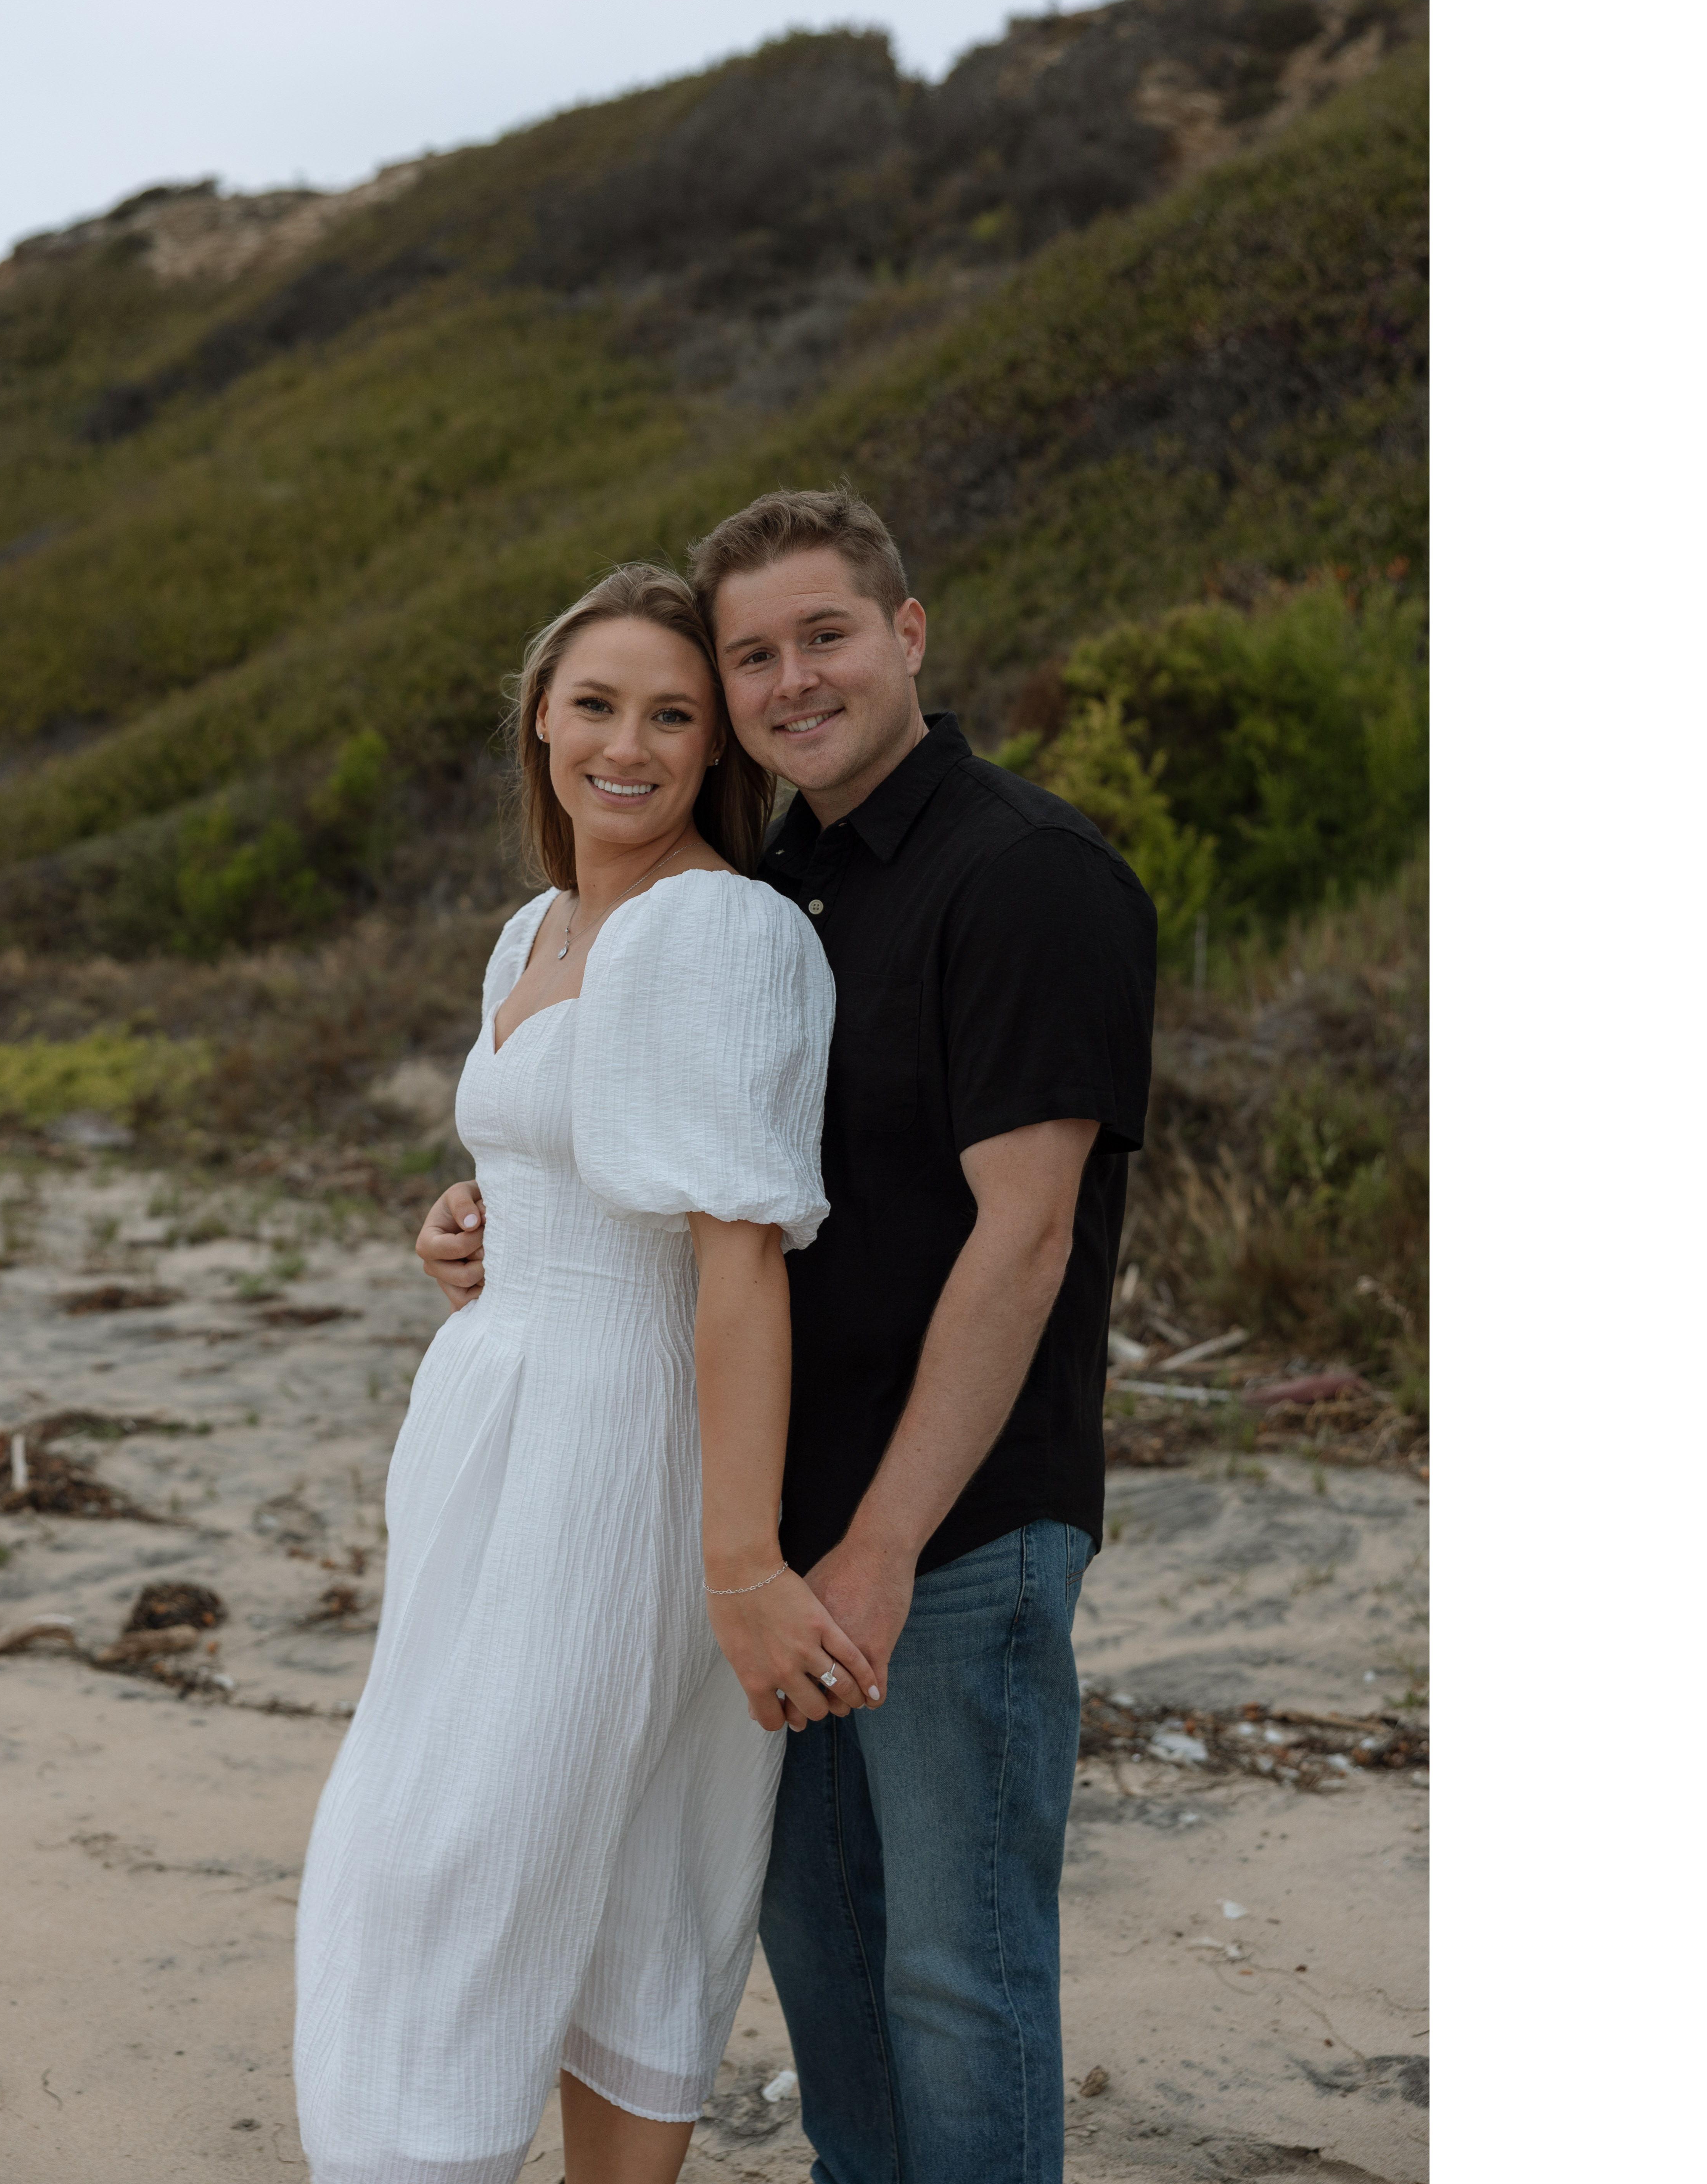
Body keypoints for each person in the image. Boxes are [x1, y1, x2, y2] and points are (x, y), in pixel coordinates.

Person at [418, 489, 1157, 2184]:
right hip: (765, 1527)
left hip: (952, 1529)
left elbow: (1027, 1240)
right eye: (752, 656)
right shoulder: (766, 890)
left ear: (909, 633)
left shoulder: (1028, 878)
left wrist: (883, 1545)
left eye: (826, 635)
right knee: (823, 1961)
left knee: (956, 1973)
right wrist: (492, 1219)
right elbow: (691, 1182)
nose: (791, 679)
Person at [296, 562, 879, 2184]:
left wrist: (742, 1561)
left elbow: (740, 1260)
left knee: (467, 1856)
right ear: (540, 721)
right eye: (597, 706)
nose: (628, 746)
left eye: (672, 717)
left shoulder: (719, 927)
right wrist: (467, 1221)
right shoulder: (535, 929)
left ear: (716, 751)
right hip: (489, 1426)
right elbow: (568, 1157)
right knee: (567, 1858)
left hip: (622, 1446)